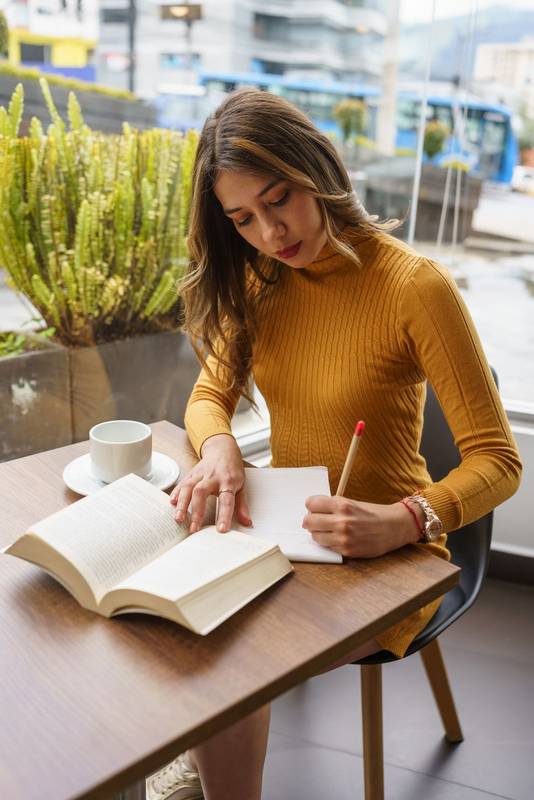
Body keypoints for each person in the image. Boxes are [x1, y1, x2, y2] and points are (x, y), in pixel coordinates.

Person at [146, 89, 522, 800]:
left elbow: (499, 462)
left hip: (388, 560)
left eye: (279, 199)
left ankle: (209, 774)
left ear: (313, 166)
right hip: (292, 539)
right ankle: (204, 767)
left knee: (227, 660)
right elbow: (206, 397)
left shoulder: (415, 286)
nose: (269, 233)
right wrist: (220, 444)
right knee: (173, 623)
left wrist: (408, 518)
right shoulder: (263, 280)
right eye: (243, 219)